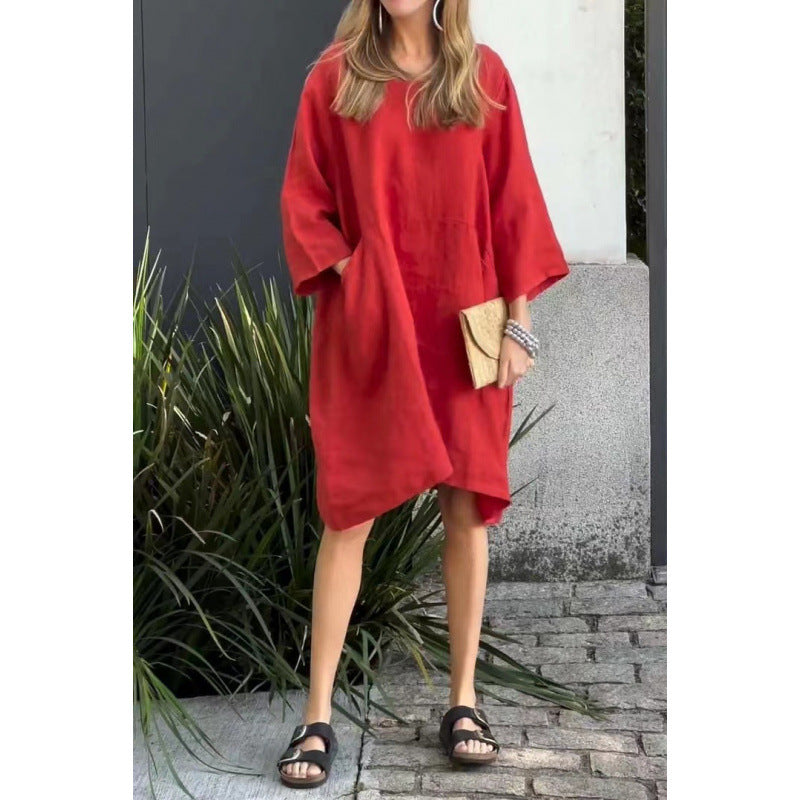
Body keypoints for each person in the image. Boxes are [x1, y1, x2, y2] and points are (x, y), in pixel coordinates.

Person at [276, 0, 569, 788]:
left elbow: (512, 204)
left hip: (466, 320)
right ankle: (316, 715)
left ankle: (463, 702)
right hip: (373, 331)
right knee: (349, 513)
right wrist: (358, 276)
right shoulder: (336, 80)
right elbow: (304, 200)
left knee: (466, 509)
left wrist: (520, 325)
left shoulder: (482, 76)